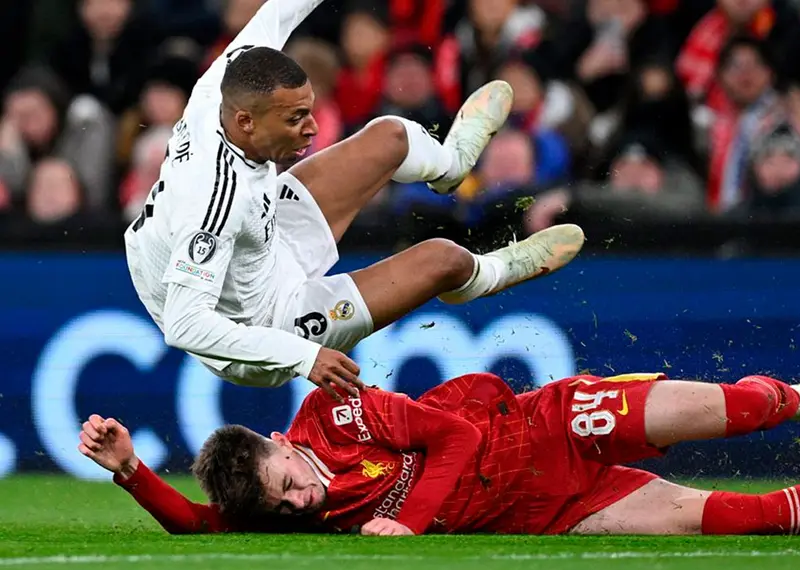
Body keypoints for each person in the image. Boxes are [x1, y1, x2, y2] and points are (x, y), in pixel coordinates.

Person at [123, 0, 585, 398]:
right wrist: (304, 356)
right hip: (263, 325)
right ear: (245, 121)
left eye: (308, 109)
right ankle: (488, 275)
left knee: (390, 135)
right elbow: (184, 325)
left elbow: (279, 12)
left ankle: (451, 166)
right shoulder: (213, 202)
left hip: (261, 244)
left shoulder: (225, 84)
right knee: (443, 259)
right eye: (295, 119)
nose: (313, 128)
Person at [78, 364, 800, 536]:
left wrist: (412, 523)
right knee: (733, 520)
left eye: (289, 481)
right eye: (284, 506)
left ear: (285, 440)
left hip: (548, 424)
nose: (301, 502)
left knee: (734, 412)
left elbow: (448, 435)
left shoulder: (337, 409)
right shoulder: (282, 510)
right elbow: (196, 524)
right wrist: (129, 473)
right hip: (551, 508)